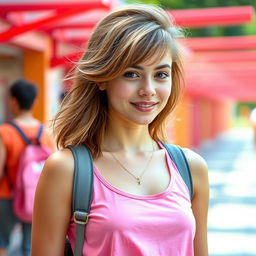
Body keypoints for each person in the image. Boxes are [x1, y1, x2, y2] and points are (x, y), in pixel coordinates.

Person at [31, 4, 209, 256]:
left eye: (160, 74)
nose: (148, 89)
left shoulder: (190, 168)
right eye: (132, 74)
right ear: (103, 78)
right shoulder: (66, 169)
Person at [0, 80, 53, 256]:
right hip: (34, 197)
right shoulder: (44, 133)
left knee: (3, 243)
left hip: (7, 195)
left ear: (13, 101)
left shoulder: (5, 132)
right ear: (35, 102)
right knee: (29, 246)